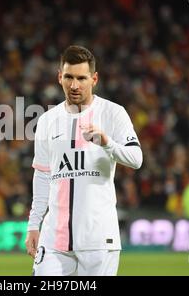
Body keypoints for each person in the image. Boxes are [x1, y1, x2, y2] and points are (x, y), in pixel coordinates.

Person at [25, 45, 143, 276]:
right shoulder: (48, 120)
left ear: (94, 79)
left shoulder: (113, 113)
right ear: (60, 77)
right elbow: (42, 175)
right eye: (68, 77)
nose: (74, 85)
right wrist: (33, 224)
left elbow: (136, 159)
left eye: (81, 78)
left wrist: (106, 142)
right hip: (54, 238)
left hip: (98, 238)